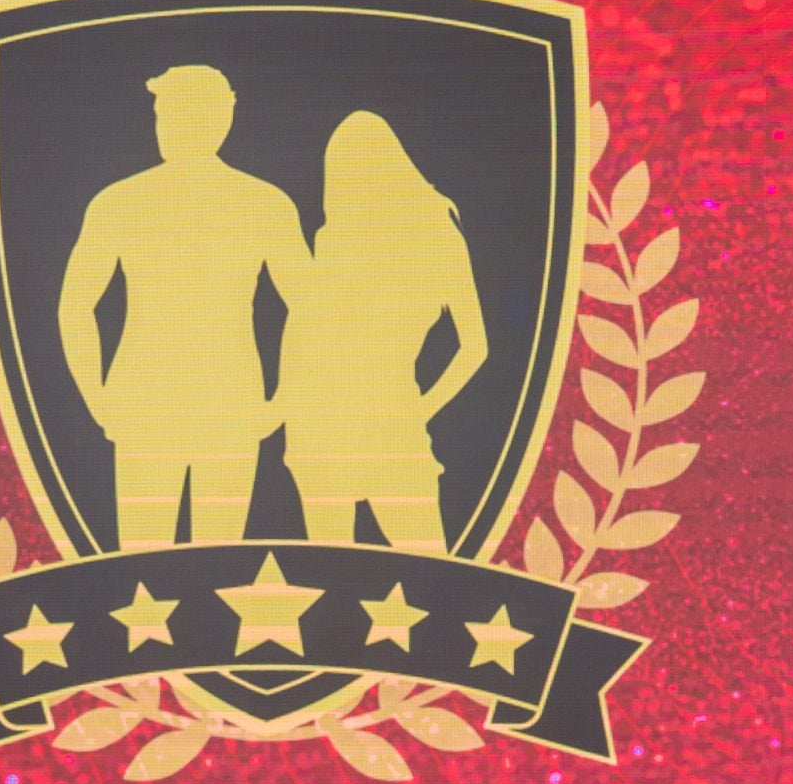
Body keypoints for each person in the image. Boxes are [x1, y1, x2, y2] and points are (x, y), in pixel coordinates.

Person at [57, 64, 309, 550]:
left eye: (175, 114)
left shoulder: (126, 201)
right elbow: (75, 307)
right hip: (172, 403)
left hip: (206, 403)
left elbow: (310, 309)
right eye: (164, 114)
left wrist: (282, 403)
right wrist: (98, 399)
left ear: (221, 120)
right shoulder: (259, 202)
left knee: (182, 561)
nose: (166, 126)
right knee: (168, 562)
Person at [279, 111, 488, 553]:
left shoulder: (420, 235)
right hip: (347, 424)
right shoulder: (353, 238)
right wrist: (420, 409)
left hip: (353, 425)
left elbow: (475, 347)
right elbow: (475, 347)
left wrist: (420, 410)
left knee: (356, 570)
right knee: (416, 568)